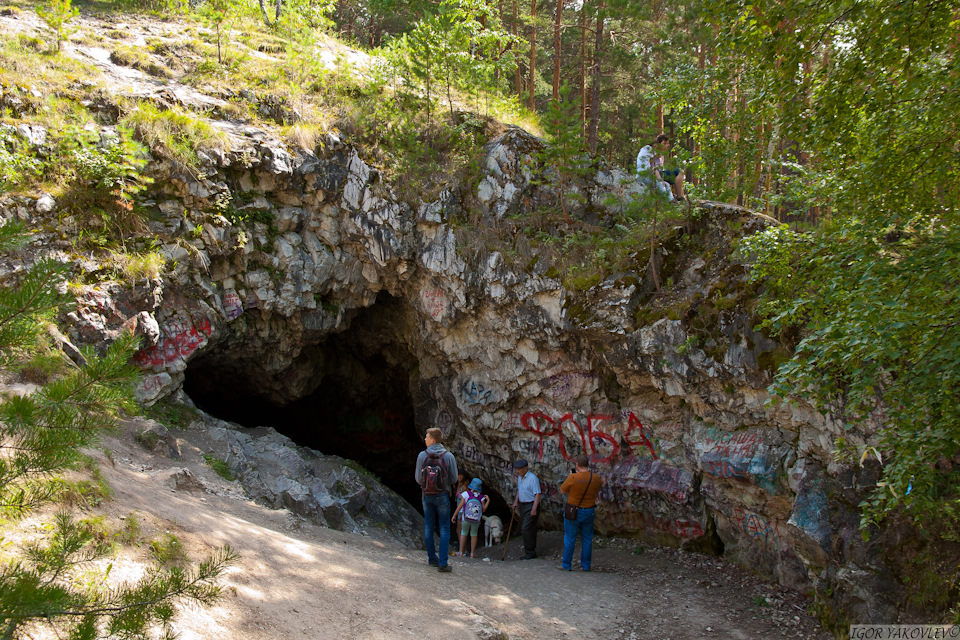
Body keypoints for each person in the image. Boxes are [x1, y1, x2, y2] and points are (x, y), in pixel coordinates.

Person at [414, 427, 458, 573]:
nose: (425, 439)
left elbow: (418, 479)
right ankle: (443, 562)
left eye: (426, 437)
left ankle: (432, 559)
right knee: (444, 528)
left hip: (426, 495)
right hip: (443, 495)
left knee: (429, 527)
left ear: (433, 440)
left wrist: (428, 485)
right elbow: (454, 478)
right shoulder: (448, 456)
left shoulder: (422, 455)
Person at [558, 454, 604, 572]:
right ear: (587, 464)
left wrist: (571, 477)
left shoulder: (573, 478)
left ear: (577, 465)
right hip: (589, 511)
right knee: (587, 538)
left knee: (570, 538)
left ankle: (566, 564)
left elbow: (562, 491)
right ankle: (586, 565)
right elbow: (598, 488)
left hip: (574, 511)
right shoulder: (596, 477)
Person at [636, 133, 686, 203]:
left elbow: (659, 169)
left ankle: (675, 200)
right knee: (664, 183)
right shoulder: (648, 149)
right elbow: (652, 169)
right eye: (665, 143)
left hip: (654, 175)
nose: (667, 146)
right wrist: (660, 179)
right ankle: (672, 200)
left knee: (667, 184)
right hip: (646, 175)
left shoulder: (659, 154)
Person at [451, 478, 489, 558]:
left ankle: (461, 552)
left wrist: (454, 515)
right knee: (474, 534)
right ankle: (472, 553)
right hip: (476, 520)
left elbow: (460, 505)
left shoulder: (466, 494)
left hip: (466, 518)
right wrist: (488, 501)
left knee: (464, 533)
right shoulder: (481, 497)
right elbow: (484, 510)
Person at [511, 458, 541, 560]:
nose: (517, 471)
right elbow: (520, 489)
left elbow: (537, 494)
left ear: (525, 468)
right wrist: (516, 501)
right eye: (517, 469)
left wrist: (534, 508)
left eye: (519, 469)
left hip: (531, 504)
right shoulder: (520, 478)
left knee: (526, 528)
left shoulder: (533, 478)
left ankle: (530, 551)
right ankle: (531, 551)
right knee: (529, 528)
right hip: (523, 505)